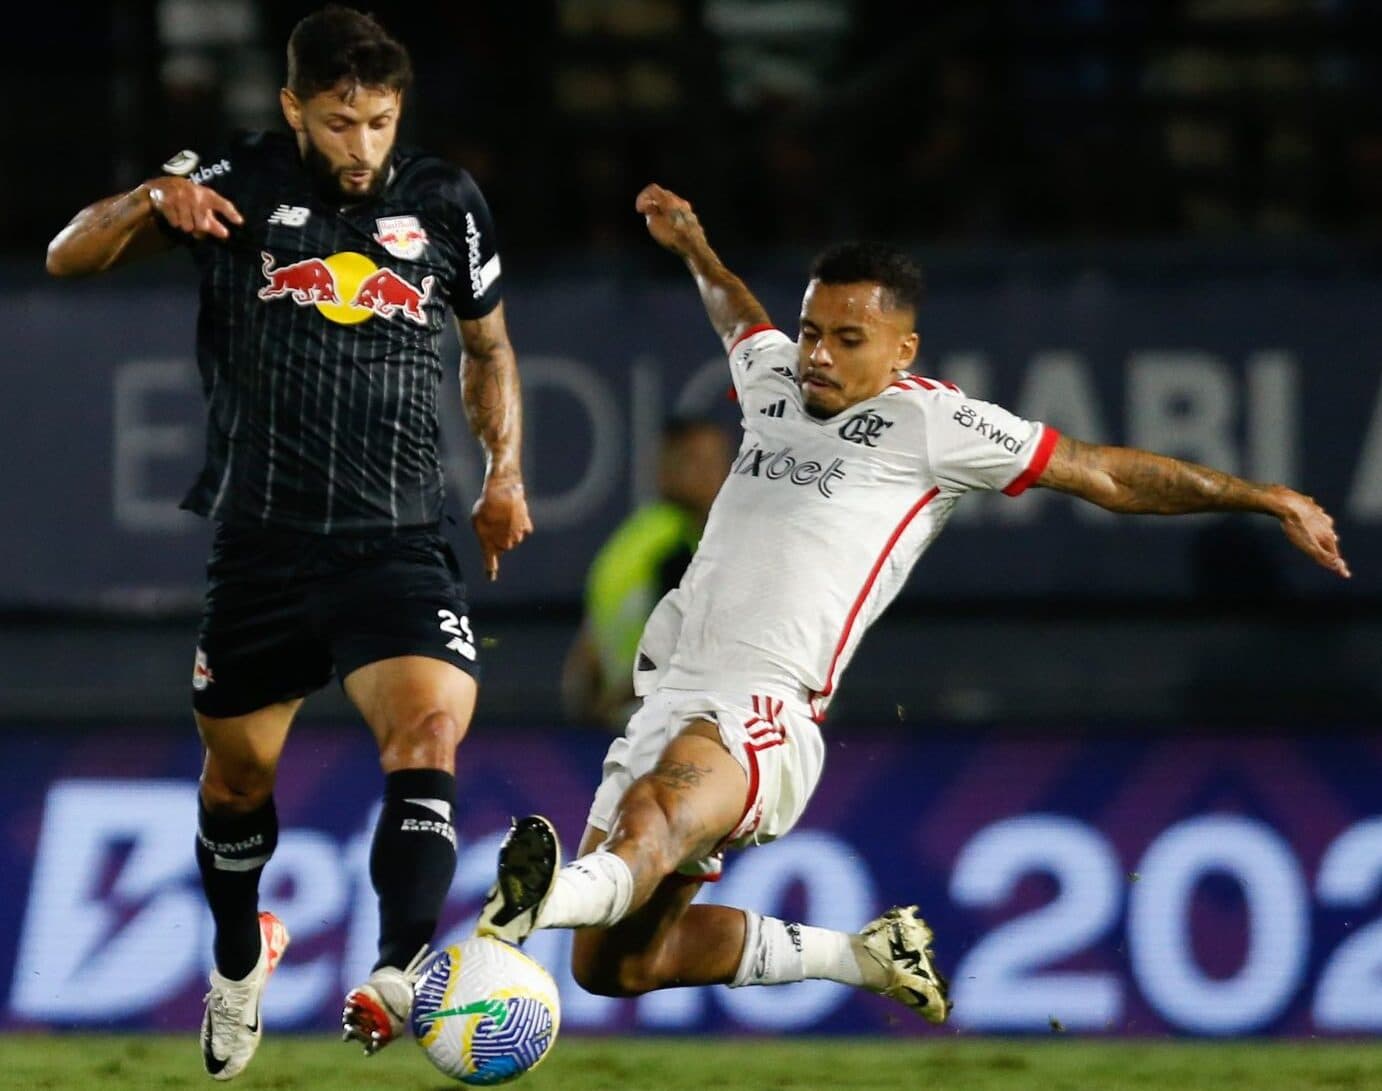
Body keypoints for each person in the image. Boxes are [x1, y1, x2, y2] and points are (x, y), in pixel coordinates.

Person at [475, 182, 1350, 1022]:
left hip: (763, 704)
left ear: (903, 350)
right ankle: (864, 956)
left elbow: (1105, 473)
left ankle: (530, 904)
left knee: (654, 818)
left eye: (848, 338)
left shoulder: (936, 424)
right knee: (614, 966)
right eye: (813, 329)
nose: (818, 352)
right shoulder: (777, 375)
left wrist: (1263, 496)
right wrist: (696, 247)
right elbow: (737, 313)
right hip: (669, 692)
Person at [46, 5, 532, 1079]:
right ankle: (237, 956)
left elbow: (488, 348)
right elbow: (66, 255)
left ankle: (401, 969)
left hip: (396, 538)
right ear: (292, 109)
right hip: (262, 542)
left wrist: (503, 471)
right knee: (235, 784)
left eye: (378, 121)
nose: (361, 147)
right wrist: (146, 196)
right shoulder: (234, 180)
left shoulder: (445, 201)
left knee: (427, 734)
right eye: (339, 121)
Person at [561, 416, 731, 729]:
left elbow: (587, 653)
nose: (715, 474)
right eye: (698, 462)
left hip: (627, 722)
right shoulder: (676, 550)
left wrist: (593, 714)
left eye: (719, 461)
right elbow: (671, 647)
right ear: (666, 469)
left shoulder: (630, 539)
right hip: (662, 722)